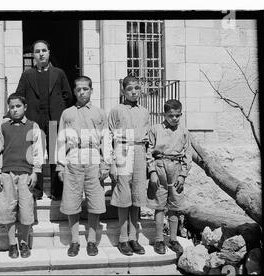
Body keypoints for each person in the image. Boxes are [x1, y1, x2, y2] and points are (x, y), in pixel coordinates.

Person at [56, 76, 112, 257]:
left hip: (94, 157)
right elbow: (60, 140)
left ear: (91, 90)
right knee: (72, 202)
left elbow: (106, 139)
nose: (82, 92)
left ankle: (91, 241)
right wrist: (60, 165)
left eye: (85, 89)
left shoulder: (100, 113)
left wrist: (106, 164)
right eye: (78, 89)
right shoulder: (67, 113)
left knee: (95, 202)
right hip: (73, 157)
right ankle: (74, 241)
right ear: (74, 91)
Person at [14, 40, 73, 200]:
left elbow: (68, 96)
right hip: (35, 120)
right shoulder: (27, 75)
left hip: (54, 120)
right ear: (33, 55)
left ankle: (57, 191)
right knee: (35, 155)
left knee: (56, 155)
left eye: (44, 50)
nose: (41, 53)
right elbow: (19, 95)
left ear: (48, 52)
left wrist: (60, 110)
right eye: (37, 51)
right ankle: (36, 191)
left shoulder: (59, 73)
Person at [0, 94, 44, 259]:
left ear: (25, 107)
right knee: (8, 209)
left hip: (26, 174)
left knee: (26, 209)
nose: (15, 110)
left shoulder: (33, 126)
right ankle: (12, 244)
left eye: (18, 106)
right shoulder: (3, 127)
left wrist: (36, 172)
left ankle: (23, 242)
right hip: (7, 173)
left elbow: (38, 151)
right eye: (12, 107)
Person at [108, 75, 150, 256]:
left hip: (140, 151)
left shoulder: (144, 112)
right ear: (123, 91)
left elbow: (149, 140)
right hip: (123, 150)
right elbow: (108, 137)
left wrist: (149, 163)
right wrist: (111, 163)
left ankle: (134, 238)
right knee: (124, 196)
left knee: (137, 196)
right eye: (130, 89)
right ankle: (123, 238)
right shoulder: (116, 110)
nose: (134, 92)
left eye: (137, 88)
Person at [146, 99, 192, 255]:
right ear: (164, 114)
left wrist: (183, 175)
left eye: (177, 115)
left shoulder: (184, 132)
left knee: (174, 206)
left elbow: (188, 154)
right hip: (160, 167)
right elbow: (149, 152)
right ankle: (159, 239)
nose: (174, 119)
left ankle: (173, 239)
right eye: (171, 115)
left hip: (176, 168)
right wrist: (152, 172)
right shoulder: (155, 129)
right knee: (159, 205)